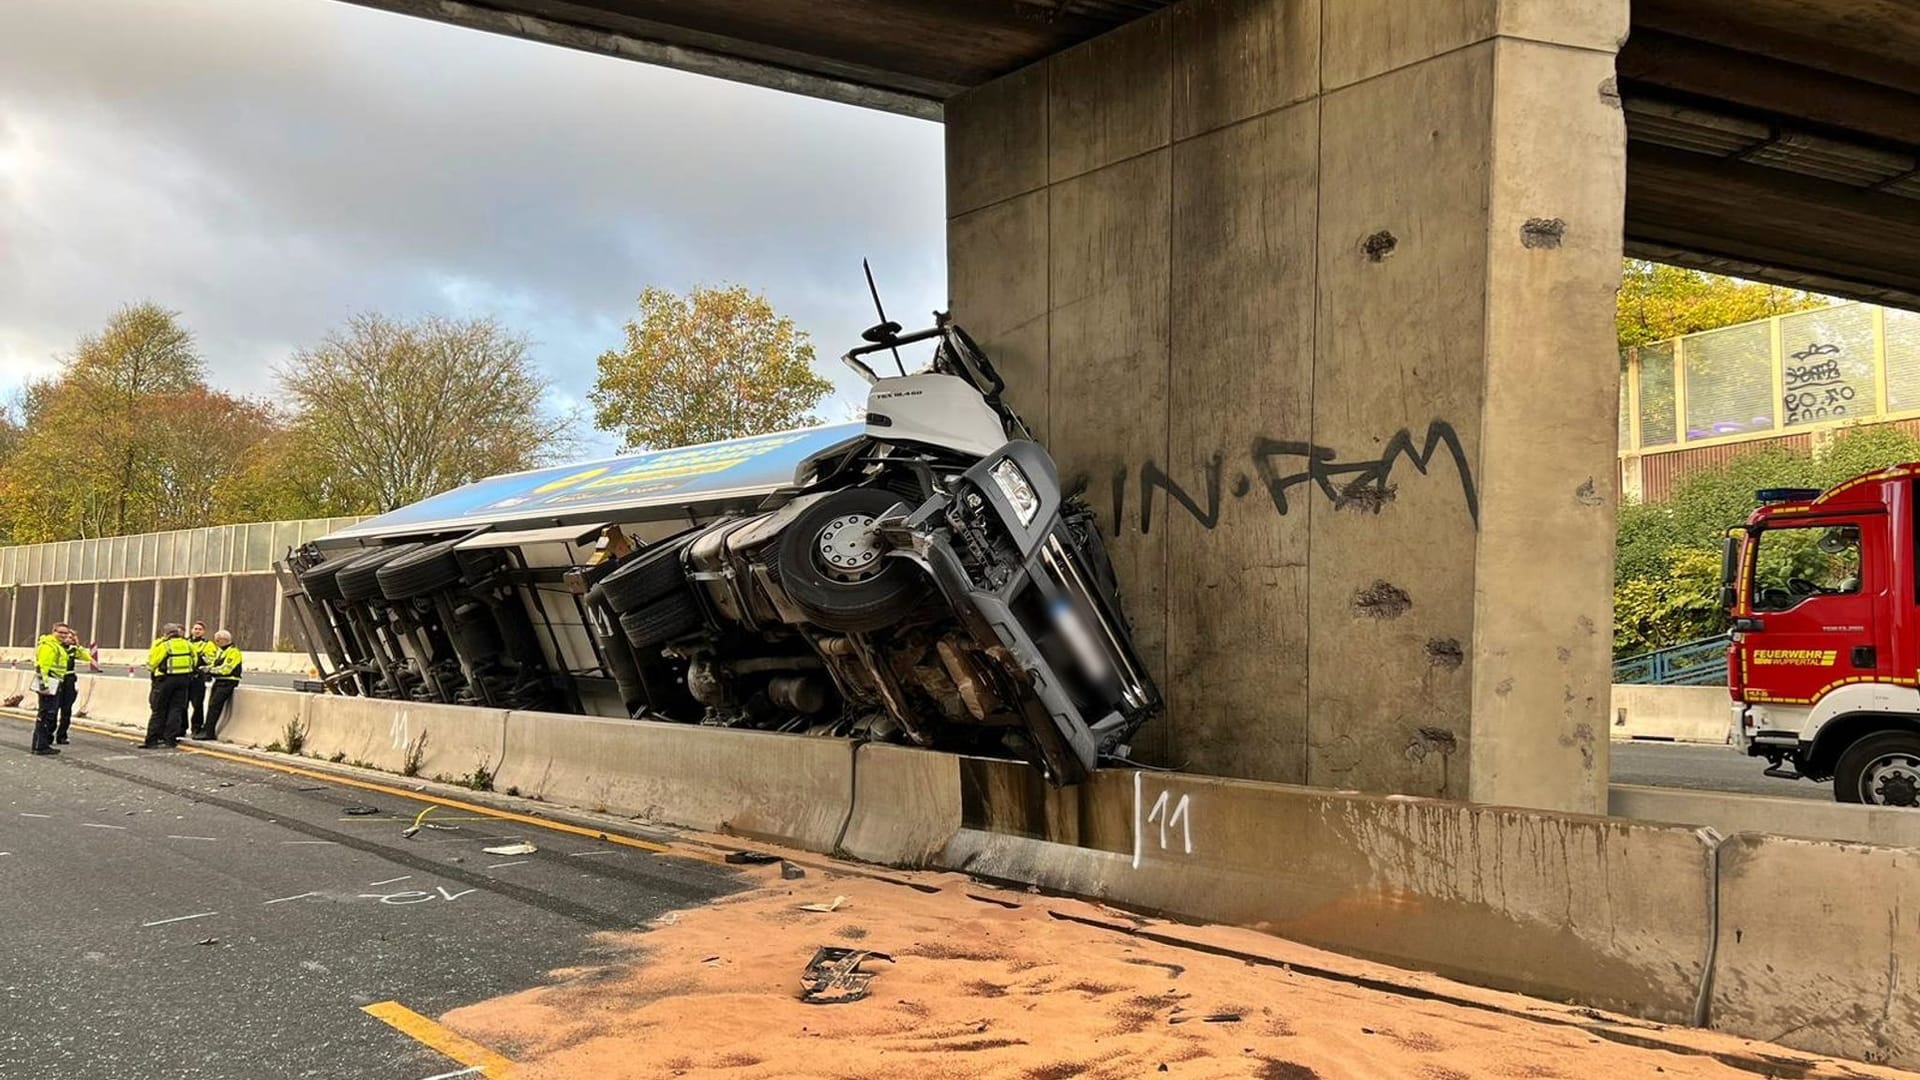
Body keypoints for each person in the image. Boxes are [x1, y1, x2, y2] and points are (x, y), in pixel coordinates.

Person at [30, 622, 88, 756]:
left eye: (65, 633)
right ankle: (40, 746)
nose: (63, 635)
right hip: (49, 682)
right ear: (53, 632)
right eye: (60, 632)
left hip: (57, 682)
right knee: (46, 715)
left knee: (48, 714)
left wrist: (77, 645)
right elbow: (42, 666)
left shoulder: (59, 647)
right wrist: (43, 685)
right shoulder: (49, 646)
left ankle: (41, 745)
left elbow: (86, 658)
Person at [142, 624, 198, 749]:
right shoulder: (188, 644)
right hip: (184, 680)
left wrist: (152, 671)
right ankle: (170, 740)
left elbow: (152, 663)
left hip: (165, 680)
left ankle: (152, 740)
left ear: (166, 634)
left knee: (159, 710)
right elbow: (194, 660)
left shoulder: (164, 645)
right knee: (176, 710)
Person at [52, 624, 98, 745]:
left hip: (69, 680)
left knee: (66, 710)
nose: (69, 639)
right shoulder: (54, 647)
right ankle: (48, 735)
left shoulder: (73, 650)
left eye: (71, 637)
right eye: (67, 636)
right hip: (56, 679)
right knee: (52, 709)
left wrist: (78, 645)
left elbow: (87, 657)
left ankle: (62, 735)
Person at [198, 629, 244, 740]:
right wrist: (205, 668)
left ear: (224, 640)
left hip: (228, 682)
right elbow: (214, 664)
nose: (216, 643)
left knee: (215, 706)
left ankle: (208, 732)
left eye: (217, 641)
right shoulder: (221, 651)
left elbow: (226, 669)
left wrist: (210, 671)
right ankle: (207, 730)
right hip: (219, 681)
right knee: (211, 705)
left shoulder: (234, 652)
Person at [186, 621, 215, 739]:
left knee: (197, 705)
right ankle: (181, 728)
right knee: (182, 705)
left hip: (198, 678)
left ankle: (196, 728)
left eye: (200, 629)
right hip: (185, 677)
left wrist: (203, 659)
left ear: (203, 632)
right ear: (192, 630)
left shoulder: (208, 645)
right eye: (195, 628)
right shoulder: (185, 642)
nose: (197, 631)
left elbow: (211, 659)